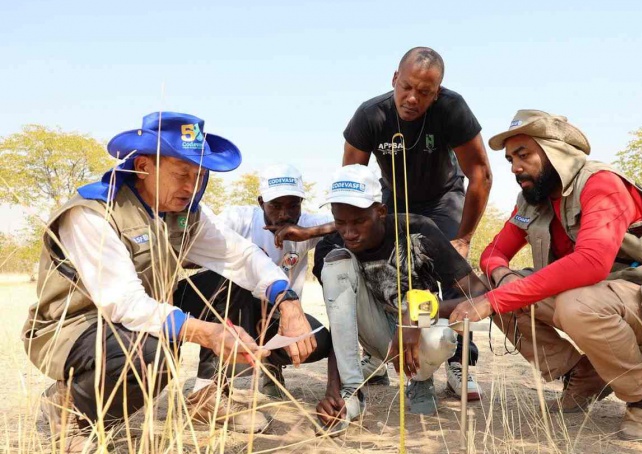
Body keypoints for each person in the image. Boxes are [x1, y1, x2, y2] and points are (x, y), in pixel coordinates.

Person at [22, 112, 318, 451]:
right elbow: (124, 303)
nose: (191, 187)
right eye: (181, 174)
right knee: (153, 352)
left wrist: (289, 300)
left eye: (199, 174)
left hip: (142, 315)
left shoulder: (187, 212)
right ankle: (71, 411)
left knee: (233, 284)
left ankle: (207, 396)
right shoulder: (92, 213)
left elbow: (242, 257)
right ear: (145, 166)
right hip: (75, 327)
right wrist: (206, 332)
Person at [449, 110, 642, 442]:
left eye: (523, 155)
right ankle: (582, 375)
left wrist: (498, 298)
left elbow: (592, 262)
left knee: (574, 304)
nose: (514, 167)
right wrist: (501, 282)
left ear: (557, 152)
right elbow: (493, 253)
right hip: (595, 297)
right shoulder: (533, 199)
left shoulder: (601, 184)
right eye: (510, 159)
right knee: (488, 286)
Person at [342, 46, 492, 398]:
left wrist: (466, 236)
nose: (412, 98)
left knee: (455, 272)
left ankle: (461, 362)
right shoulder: (370, 116)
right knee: (382, 267)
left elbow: (480, 174)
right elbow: (350, 183)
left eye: (424, 93)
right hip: (393, 199)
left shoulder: (452, 109)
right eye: (406, 87)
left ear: (437, 92)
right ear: (394, 79)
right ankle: (375, 356)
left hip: (442, 198)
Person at [313, 165, 489, 432]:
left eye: (359, 221)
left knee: (443, 338)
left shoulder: (418, 230)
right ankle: (351, 391)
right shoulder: (333, 246)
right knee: (335, 263)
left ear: (380, 211)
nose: (348, 232)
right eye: (340, 222)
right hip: (376, 333)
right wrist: (332, 390)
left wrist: (417, 313)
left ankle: (420, 380)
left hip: (421, 335)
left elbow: (478, 293)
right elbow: (340, 317)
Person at [215, 163, 334, 397]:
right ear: (261, 203)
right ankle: (215, 381)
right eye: (275, 206)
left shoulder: (307, 224)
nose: (285, 215)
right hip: (235, 310)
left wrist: (309, 233)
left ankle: (272, 368)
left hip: (282, 314)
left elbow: (357, 221)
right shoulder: (239, 219)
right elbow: (198, 242)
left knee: (321, 341)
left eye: (293, 205)